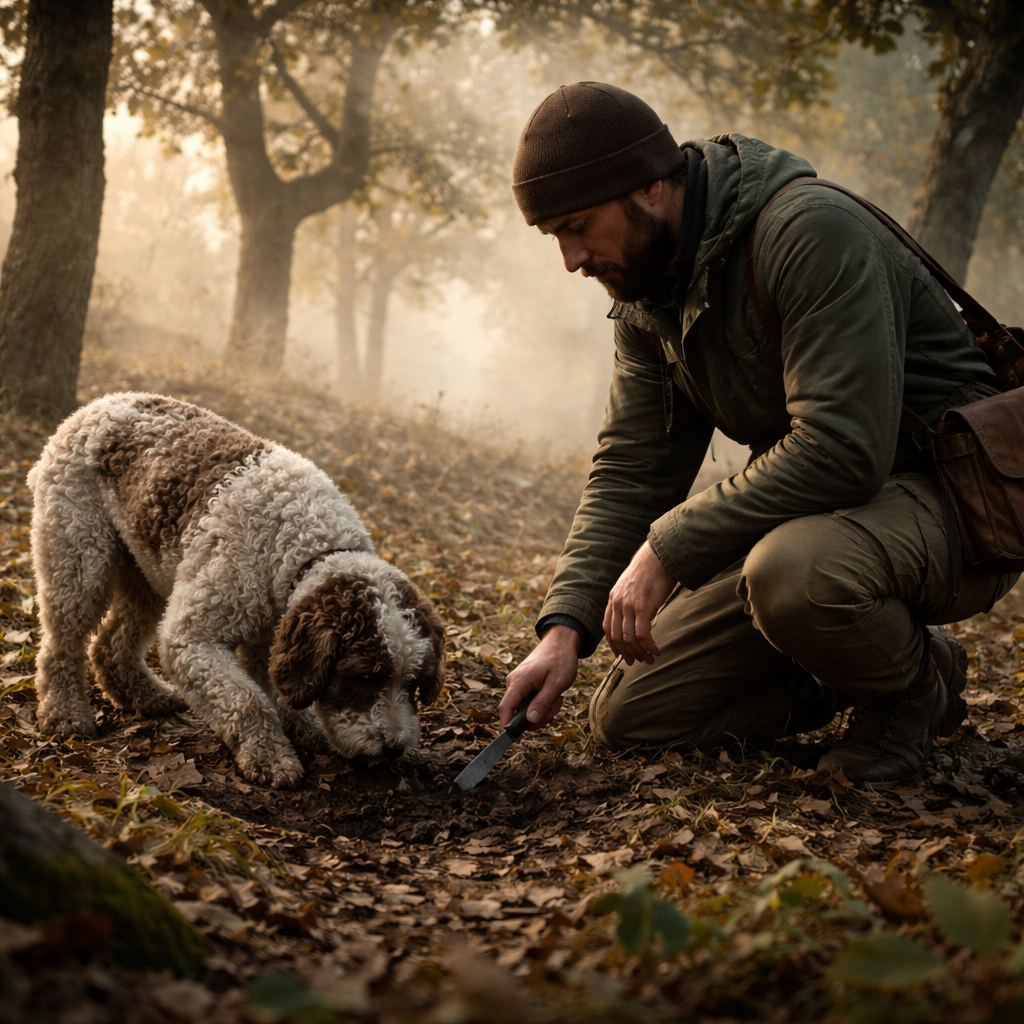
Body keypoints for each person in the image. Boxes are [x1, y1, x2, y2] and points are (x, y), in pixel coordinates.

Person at [498, 82, 1019, 786]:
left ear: (652, 186)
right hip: (824, 524)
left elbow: (842, 449)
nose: (570, 259)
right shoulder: (648, 292)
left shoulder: (808, 232)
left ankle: (907, 697)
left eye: (580, 226)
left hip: (954, 501)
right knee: (632, 717)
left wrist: (665, 549)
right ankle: (891, 654)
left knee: (793, 573)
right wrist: (565, 630)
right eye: (553, 235)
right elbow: (632, 469)